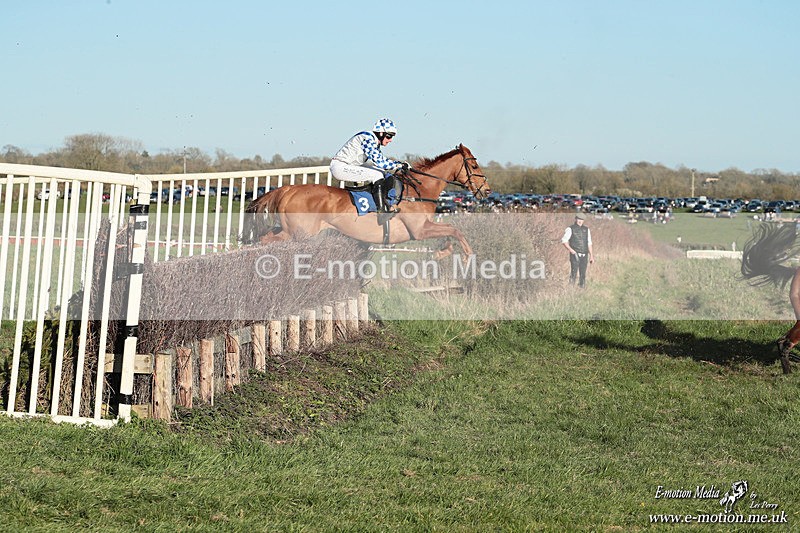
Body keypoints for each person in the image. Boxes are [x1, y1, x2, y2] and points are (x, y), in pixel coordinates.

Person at [330, 118, 407, 216]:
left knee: (382, 172)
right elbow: (380, 161)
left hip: (349, 164)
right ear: (381, 133)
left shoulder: (374, 140)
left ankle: (383, 201)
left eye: (392, 137)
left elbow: (381, 162)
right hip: (340, 167)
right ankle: (382, 210)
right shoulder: (368, 139)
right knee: (377, 175)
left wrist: (398, 164)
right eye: (389, 136)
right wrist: (398, 165)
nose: (390, 140)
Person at [561, 213, 594, 288]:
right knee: (574, 272)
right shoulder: (570, 229)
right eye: (579, 219)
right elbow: (564, 241)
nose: (580, 221)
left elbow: (589, 243)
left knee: (583, 273)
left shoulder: (586, 229)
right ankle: (571, 288)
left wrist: (591, 255)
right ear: (576, 219)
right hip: (575, 254)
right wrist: (571, 250)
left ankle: (581, 288)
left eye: (582, 220)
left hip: (584, 254)